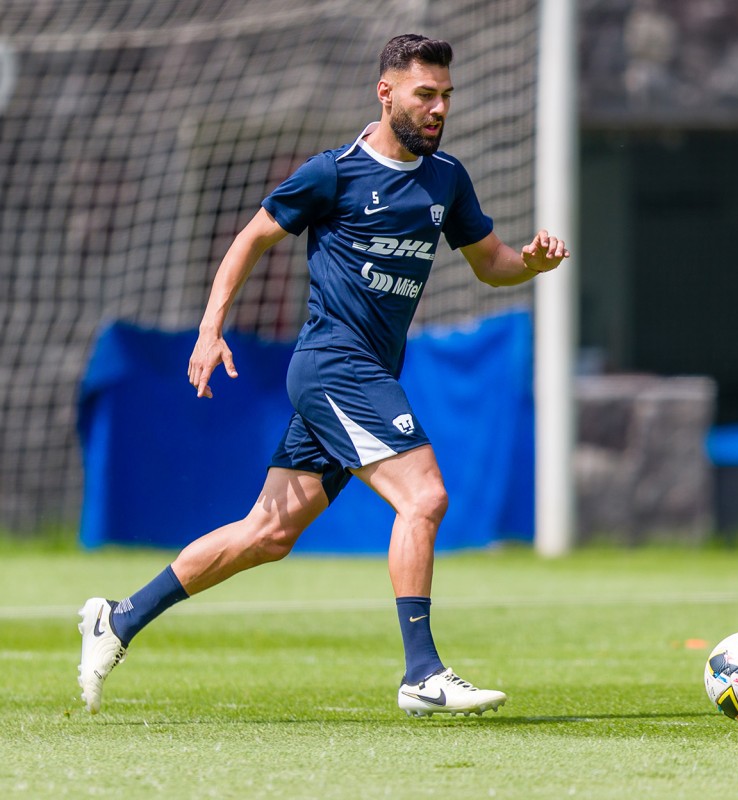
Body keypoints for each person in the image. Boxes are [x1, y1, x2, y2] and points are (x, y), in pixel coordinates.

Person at [78, 33, 569, 718]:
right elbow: (250, 239)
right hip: (334, 366)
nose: (438, 109)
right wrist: (210, 328)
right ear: (386, 92)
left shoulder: (446, 178)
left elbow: (490, 263)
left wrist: (531, 263)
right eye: (425, 95)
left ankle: (120, 617)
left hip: (363, 373)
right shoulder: (334, 173)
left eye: (446, 97)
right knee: (424, 496)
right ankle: (422, 673)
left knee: (267, 533)